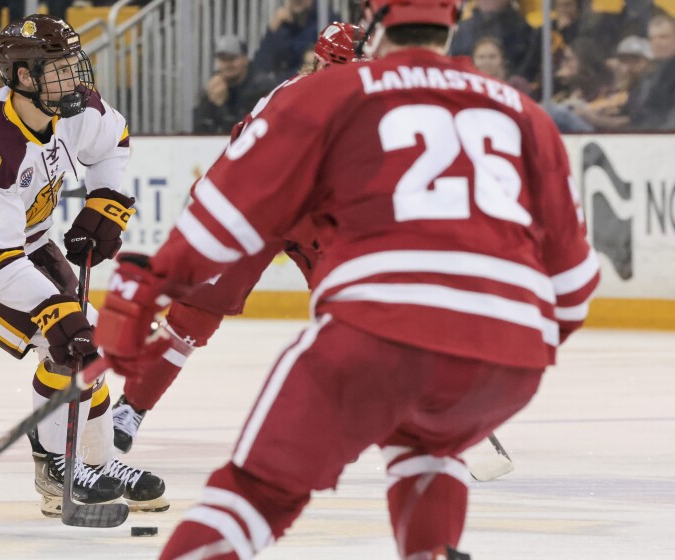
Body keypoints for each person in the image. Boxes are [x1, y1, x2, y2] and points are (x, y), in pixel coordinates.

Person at [95, 0, 601, 558]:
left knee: (261, 485)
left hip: (327, 235)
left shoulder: (331, 96)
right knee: (204, 314)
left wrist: (151, 284)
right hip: (503, 347)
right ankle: (130, 411)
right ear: (454, 25)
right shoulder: (521, 111)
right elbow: (574, 285)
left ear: (377, 30)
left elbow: (219, 211)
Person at [0, 14, 167, 516]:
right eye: (61, 68)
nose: (76, 78)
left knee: (86, 341)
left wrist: (106, 199)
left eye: (74, 64)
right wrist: (52, 310)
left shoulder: (70, 106)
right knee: (62, 343)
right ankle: (55, 470)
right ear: (24, 77)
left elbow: (115, 141)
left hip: (24, 240)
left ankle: (100, 462)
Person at [108, 22, 363, 454]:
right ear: (319, 61)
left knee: (359, 311)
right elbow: (240, 168)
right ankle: (129, 408)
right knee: (192, 315)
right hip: (256, 208)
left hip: (315, 218)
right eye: (337, 69)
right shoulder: (292, 101)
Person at [193, 34, 273, 134]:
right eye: (223, 59)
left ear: (245, 59)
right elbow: (199, 130)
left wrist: (222, 106)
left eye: (232, 58)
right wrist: (211, 103)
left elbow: (246, 131)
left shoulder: (260, 87)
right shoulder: (214, 86)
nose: (228, 64)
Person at [251, 0, 340, 84]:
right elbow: (261, 64)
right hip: (285, 84)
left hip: (314, 84)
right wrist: (273, 27)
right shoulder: (283, 22)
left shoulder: (326, 19)